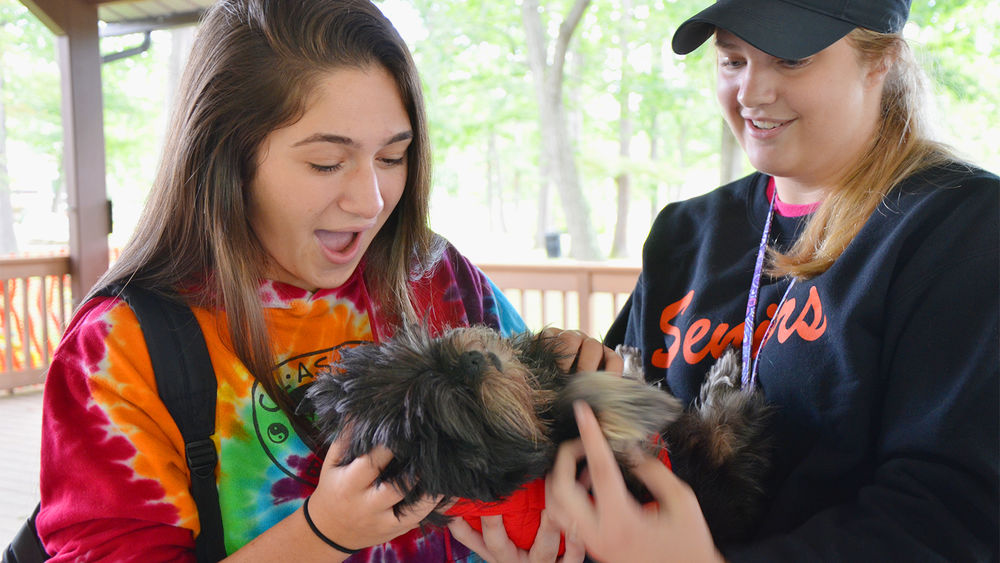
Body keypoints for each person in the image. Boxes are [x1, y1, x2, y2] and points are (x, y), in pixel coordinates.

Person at [33, 1, 604, 561]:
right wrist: (322, 534)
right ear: (225, 159)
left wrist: (577, 389)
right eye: (327, 163)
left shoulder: (433, 273)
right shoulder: (118, 348)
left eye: (392, 157)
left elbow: (534, 464)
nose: (371, 202)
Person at [544, 0, 1000, 561]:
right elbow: (621, 423)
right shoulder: (686, 232)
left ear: (881, 59)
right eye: (732, 60)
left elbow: (952, 512)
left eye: (790, 59)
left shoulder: (963, 226)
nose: (751, 93)